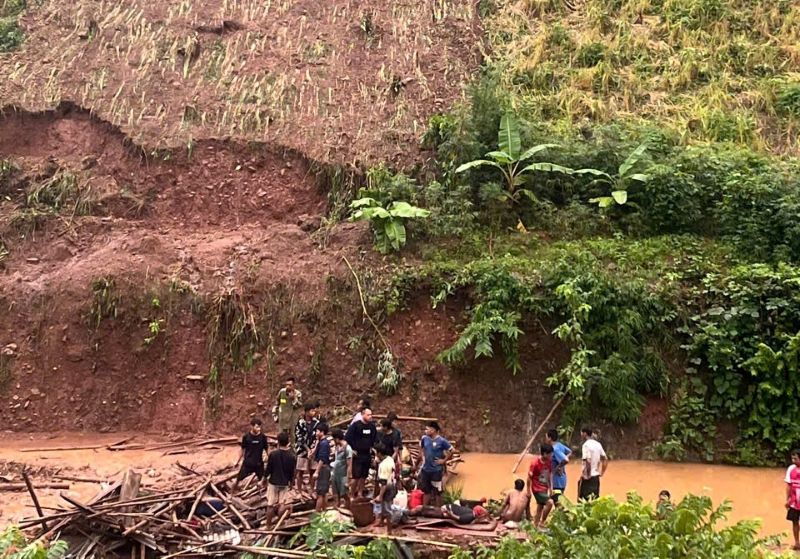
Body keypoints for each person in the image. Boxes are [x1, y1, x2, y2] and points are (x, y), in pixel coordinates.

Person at [265, 431, 296, 525]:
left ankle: (268, 525)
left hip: (273, 481)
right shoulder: (292, 456)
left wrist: (263, 479)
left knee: (270, 505)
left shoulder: (273, 454)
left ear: (278, 442)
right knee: (282, 504)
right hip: (284, 482)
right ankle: (279, 522)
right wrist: (291, 482)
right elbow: (292, 472)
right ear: (288, 442)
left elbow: (268, 469)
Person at [345, 407, 378, 498]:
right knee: (356, 476)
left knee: (364, 475)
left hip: (367, 454)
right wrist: (352, 449)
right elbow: (347, 438)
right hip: (357, 454)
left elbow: (375, 439)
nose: (370, 416)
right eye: (368, 415)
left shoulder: (372, 427)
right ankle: (351, 494)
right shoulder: (356, 426)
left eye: (371, 415)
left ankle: (360, 493)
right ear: (363, 415)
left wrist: (373, 448)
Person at [419, 421, 452, 507]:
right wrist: (423, 457)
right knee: (426, 490)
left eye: (427, 429)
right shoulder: (424, 438)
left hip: (436, 470)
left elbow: (452, 450)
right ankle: (424, 509)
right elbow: (421, 448)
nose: (425, 431)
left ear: (433, 430)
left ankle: (438, 510)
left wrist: (444, 460)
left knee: (437, 491)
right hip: (426, 469)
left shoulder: (442, 441)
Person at [232, 417, 268, 493]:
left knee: (264, 480)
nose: (259, 428)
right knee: (237, 479)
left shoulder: (263, 437)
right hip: (248, 463)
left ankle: (265, 495)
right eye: (257, 426)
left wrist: (269, 459)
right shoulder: (246, 437)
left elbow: (266, 449)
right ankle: (231, 494)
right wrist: (237, 461)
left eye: (259, 426)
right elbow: (242, 450)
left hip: (258, 463)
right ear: (251, 426)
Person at [373, 443, 398, 533]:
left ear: (379, 453)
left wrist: (380, 495)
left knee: (387, 509)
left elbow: (384, 483)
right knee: (385, 507)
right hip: (392, 485)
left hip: (387, 488)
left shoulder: (384, 465)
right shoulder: (390, 459)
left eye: (376, 453)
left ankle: (389, 531)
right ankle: (382, 523)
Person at [528, 444, 554, 529]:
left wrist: (550, 488)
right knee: (550, 502)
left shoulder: (549, 462)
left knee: (540, 506)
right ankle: (542, 522)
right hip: (537, 489)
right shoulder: (535, 463)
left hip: (544, 488)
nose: (551, 455)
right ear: (545, 454)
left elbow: (549, 475)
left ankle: (535, 526)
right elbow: (529, 478)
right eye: (550, 454)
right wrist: (528, 491)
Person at [578, 427, 608, 501]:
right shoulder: (598, 444)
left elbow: (588, 460)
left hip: (588, 477)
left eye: (581, 433)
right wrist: (602, 472)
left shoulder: (585, 445)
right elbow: (605, 459)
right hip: (596, 476)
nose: (581, 435)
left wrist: (587, 475)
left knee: (584, 500)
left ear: (585, 433)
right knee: (595, 499)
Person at [294, 402, 318, 492]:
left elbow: (317, 436)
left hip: (313, 450)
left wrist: (313, 449)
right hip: (302, 450)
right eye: (312, 411)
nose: (314, 413)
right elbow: (299, 438)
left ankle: (312, 489)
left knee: (312, 470)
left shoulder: (316, 422)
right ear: (307, 412)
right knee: (300, 470)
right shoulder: (300, 423)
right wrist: (307, 449)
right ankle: (299, 490)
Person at [545, 429, 571, 505]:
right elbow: (570, 452)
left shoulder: (555, 449)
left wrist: (558, 467)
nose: (545, 439)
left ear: (550, 438)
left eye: (546, 437)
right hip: (562, 479)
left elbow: (566, 459)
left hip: (557, 481)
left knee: (557, 503)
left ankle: (562, 516)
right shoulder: (559, 445)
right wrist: (561, 465)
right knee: (558, 501)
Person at [274, 378, 302, 444]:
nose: (287, 386)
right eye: (286, 385)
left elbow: (299, 405)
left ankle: (292, 452)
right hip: (283, 418)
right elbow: (277, 402)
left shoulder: (298, 394)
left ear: (293, 385)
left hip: (292, 418)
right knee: (281, 436)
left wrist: (294, 399)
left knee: (292, 437)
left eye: (290, 385)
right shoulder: (282, 392)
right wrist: (275, 414)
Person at [312, 423, 332, 512]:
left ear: (322, 432)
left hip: (323, 468)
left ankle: (318, 513)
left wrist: (317, 471)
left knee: (321, 493)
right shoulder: (321, 442)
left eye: (317, 431)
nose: (316, 433)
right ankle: (324, 511)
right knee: (323, 493)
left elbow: (322, 459)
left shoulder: (324, 444)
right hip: (324, 468)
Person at [331, 429, 353, 508]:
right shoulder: (337, 447)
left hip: (343, 475)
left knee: (344, 494)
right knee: (335, 494)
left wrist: (348, 478)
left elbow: (349, 464)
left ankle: (348, 508)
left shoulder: (348, 449)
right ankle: (337, 508)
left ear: (337, 438)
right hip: (335, 473)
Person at [786, 449, 800, 550]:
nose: (793, 460)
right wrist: (787, 499)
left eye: (795, 458)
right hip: (794, 501)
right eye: (792, 458)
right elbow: (788, 485)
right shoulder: (791, 469)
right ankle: (797, 543)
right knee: (794, 521)